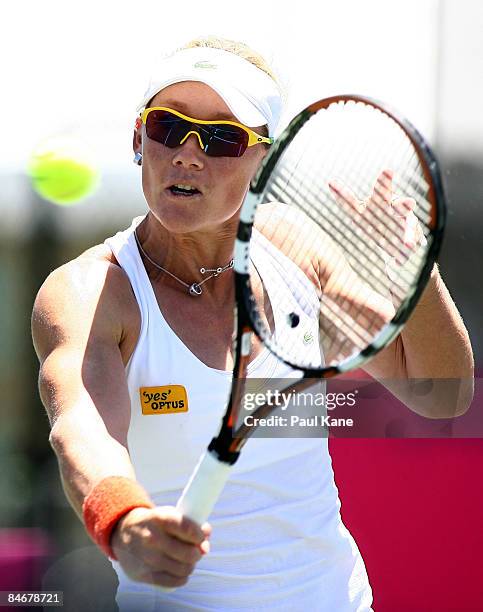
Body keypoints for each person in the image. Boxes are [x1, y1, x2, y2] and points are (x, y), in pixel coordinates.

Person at [31, 36, 474, 611]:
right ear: (139, 139)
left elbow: (442, 394)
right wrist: (125, 520)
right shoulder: (90, 291)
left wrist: (414, 276)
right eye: (169, 127)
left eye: (221, 138)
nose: (188, 153)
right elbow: (82, 432)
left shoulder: (294, 248)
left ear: (262, 159)